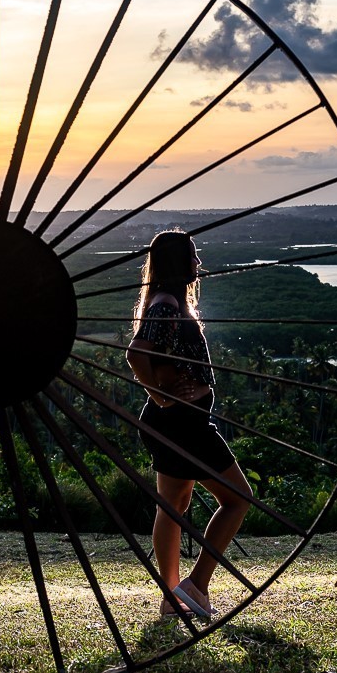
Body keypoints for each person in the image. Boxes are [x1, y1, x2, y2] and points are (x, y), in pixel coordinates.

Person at [126, 230, 252, 619]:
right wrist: (161, 395)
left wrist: (162, 396)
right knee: (237, 498)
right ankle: (195, 585)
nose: (198, 264)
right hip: (182, 423)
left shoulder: (167, 302)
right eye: (193, 257)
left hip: (173, 421)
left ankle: (172, 598)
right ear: (178, 263)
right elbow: (135, 354)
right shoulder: (166, 305)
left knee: (174, 505)